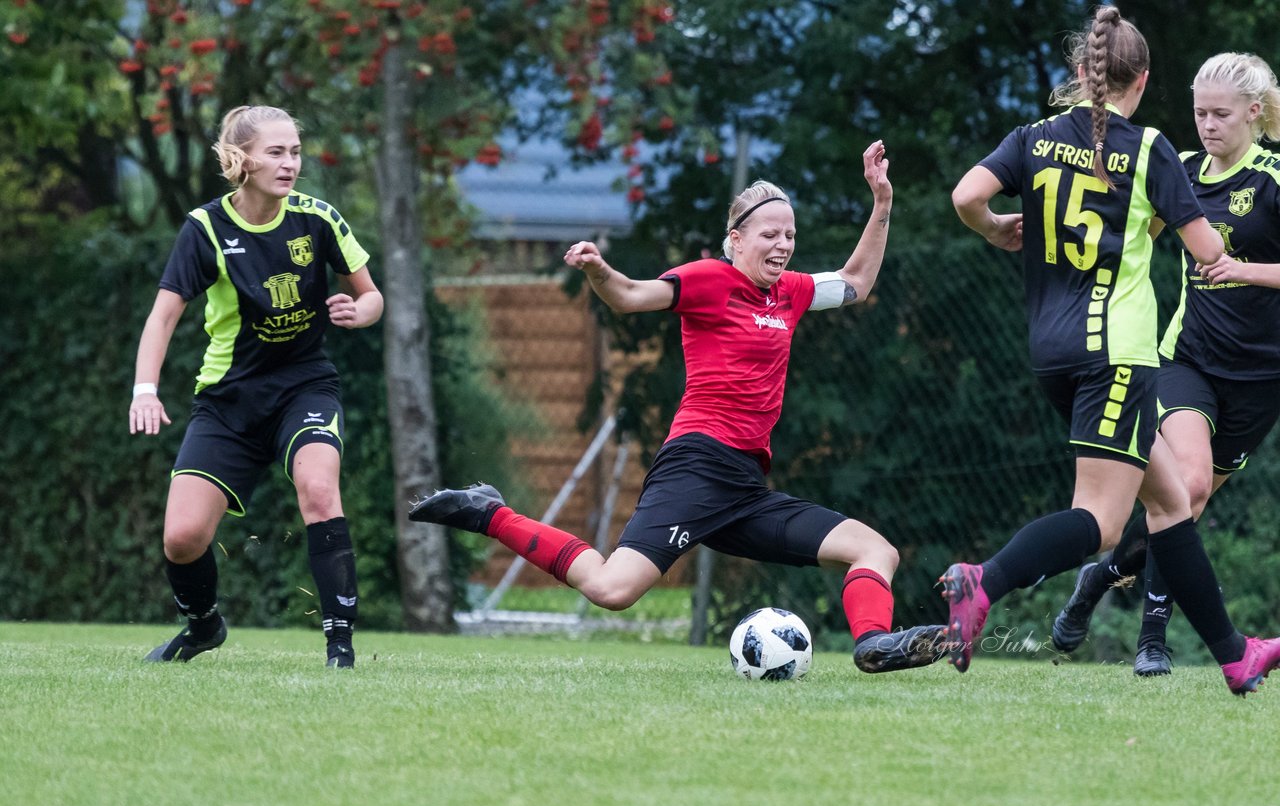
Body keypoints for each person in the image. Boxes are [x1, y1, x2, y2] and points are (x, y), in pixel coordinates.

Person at [411, 142, 947, 673]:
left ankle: (874, 646)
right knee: (611, 589)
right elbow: (628, 296)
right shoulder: (708, 279)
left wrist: (881, 203)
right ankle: (488, 511)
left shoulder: (790, 292)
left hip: (743, 485)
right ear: (736, 240)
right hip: (696, 466)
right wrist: (598, 269)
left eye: (789, 235)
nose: (782, 245)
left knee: (876, 550)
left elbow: (855, 282)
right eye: (770, 235)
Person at [947, 7, 1280, 695]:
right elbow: (1210, 252)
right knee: (1101, 521)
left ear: (1080, 72)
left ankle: (1233, 654)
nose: (1207, 125)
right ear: (1145, 79)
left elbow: (966, 196)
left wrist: (995, 230)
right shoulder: (1150, 149)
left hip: (1051, 348)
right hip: (1120, 353)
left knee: (1169, 502)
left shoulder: (1034, 137)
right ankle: (985, 581)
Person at [1052, 52, 1280, 677]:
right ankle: (1153, 640)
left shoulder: (1274, 178)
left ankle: (1097, 581)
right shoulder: (1177, 170)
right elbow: (1128, 233)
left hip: (1262, 380)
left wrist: (1247, 270)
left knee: (1180, 508)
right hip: (1187, 359)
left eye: (1220, 114)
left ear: (1252, 113)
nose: (1206, 124)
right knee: (1191, 487)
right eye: (1199, 112)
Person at [130, 105, 383, 668]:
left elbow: (371, 295)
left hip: (305, 388)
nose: (290, 163)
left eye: (295, 151)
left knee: (319, 490)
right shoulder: (205, 229)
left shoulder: (318, 218)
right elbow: (163, 316)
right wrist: (144, 390)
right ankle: (203, 627)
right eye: (276, 152)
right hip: (228, 403)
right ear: (239, 159)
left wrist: (359, 312)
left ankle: (340, 647)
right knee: (182, 538)